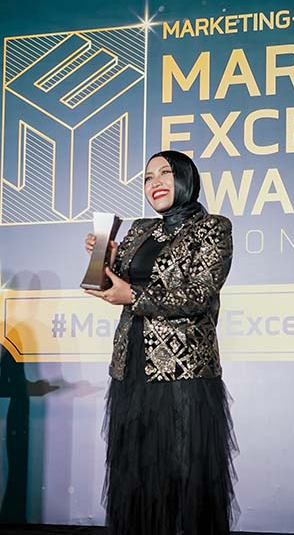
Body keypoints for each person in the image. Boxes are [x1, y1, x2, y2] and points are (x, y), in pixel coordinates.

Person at [84, 150, 238, 535]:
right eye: (148, 177)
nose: (155, 183)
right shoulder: (140, 230)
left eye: (165, 173)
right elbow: (117, 283)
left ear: (185, 178)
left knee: (184, 471)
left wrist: (133, 296)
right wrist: (106, 259)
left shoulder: (212, 228)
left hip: (183, 370)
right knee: (137, 470)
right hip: (132, 364)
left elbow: (199, 294)